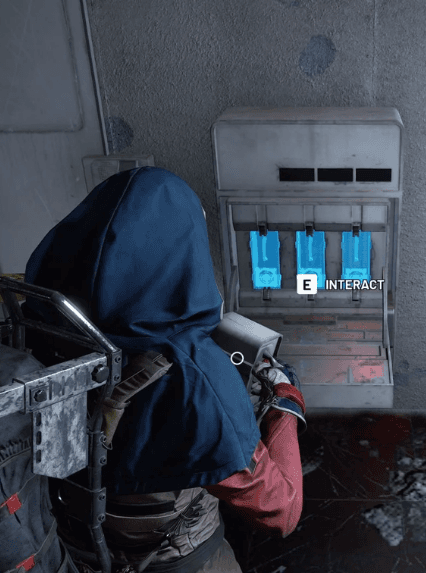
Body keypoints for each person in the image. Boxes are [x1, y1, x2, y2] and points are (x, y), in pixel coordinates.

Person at [23, 166, 306, 572]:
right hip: (176, 558)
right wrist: (285, 402)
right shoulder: (196, 375)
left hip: (71, 545)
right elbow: (281, 510)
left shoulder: (36, 325)